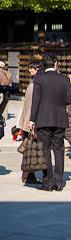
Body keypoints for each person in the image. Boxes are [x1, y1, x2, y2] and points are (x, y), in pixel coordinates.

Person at [29, 54, 71, 191]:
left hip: (44, 117)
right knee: (59, 150)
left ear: (43, 65)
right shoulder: (64, 79)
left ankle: (48, 181)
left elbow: (36, 100)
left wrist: (32, 119)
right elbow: (69, 99)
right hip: (59, 118)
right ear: (55, 64)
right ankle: (59, 182)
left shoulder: (39, 78)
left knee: (45, 150)